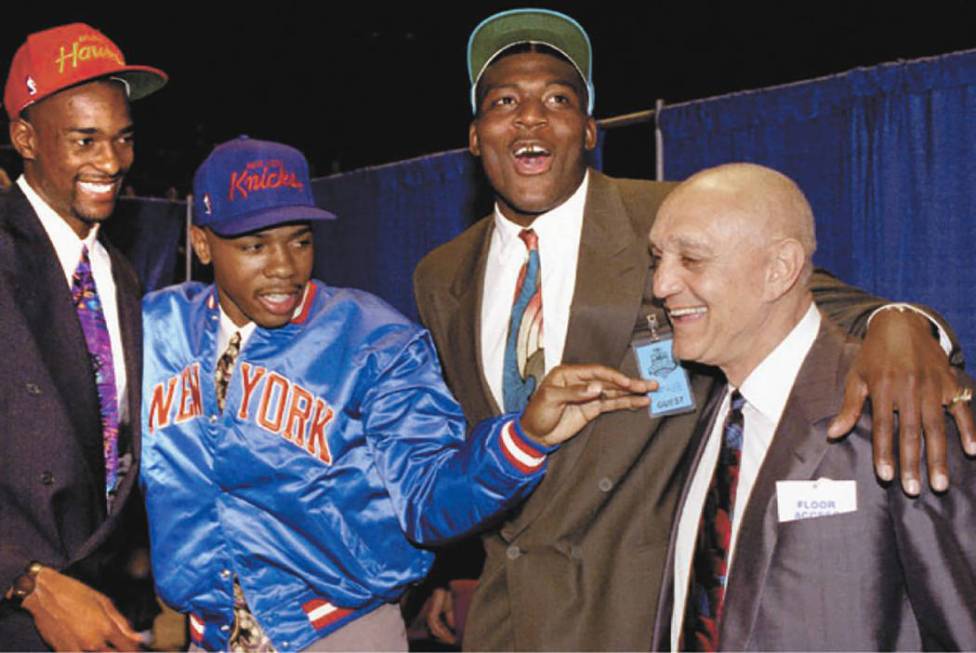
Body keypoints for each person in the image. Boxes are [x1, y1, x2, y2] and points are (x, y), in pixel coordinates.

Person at [412, 8, 975, 650]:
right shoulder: (442, 274)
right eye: (505, 101)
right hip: (505, 623)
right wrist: (451, 570)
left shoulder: (665, 219)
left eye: (558, 99)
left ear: (590, 130)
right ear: (475, 135)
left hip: (632, 614)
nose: (531, 117)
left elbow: (801, 292)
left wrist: (903, 324)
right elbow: (468, 435)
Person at [139, 135, 655, 652]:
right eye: (254, 245)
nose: (284, 266)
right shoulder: (157, 332)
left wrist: (523, 439)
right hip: (210, 638)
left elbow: (430, 498)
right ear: (203, 244)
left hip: (339, 631)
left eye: (299, 240)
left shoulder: (373, 340)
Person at [648, 163, 976, 650]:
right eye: (657, 258)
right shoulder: (699, 403)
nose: (660, 285)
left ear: (779, 270)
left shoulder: (901, 410)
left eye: (691, 259)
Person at [0, 23, 167, 652]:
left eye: (123, 138)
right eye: (85, 139)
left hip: (93, 610)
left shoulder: (115, 273)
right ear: (25, 139)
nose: (112, 162)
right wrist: (27, 580)